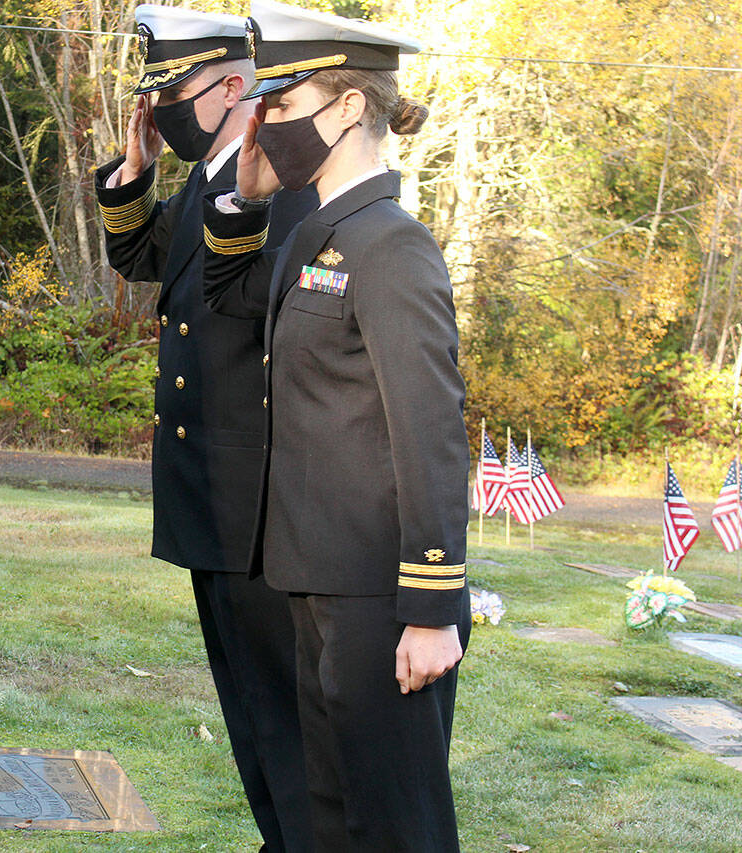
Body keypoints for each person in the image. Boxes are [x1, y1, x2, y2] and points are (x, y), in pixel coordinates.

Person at [199, 1, 471, 849]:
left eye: (281, 105)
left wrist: (431, 606)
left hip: (380, 598)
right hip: (315, 580)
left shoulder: (392, 245)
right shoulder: (323, 237)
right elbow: (228, 301)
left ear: (350, 106)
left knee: (392, 824)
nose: (264, 121)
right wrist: (242, 205)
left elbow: (429, 430)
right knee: (330, 818)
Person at [95, 5, 319, 851]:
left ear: (234, 87)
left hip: (256, 502)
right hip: (210, 498)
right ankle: (282, 835)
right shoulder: (209, 178)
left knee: (281, 714)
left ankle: (301, 837)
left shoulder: (284, 193)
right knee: (249, 712)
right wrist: (134, 169)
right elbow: (151, 259)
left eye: (175, 91)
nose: (163, 109)